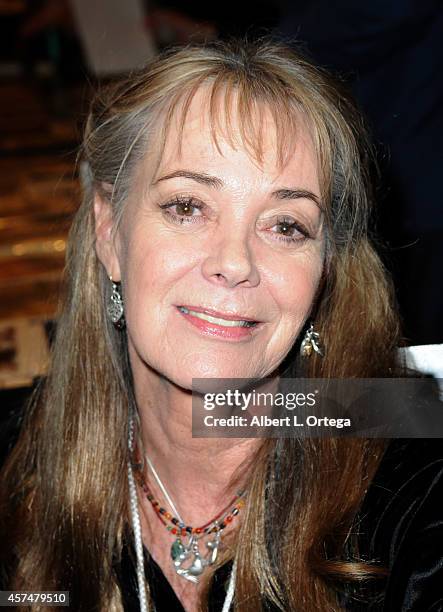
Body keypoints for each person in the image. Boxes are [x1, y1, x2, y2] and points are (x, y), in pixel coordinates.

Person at [0, 40, 442, 612]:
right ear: (109, 231)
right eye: (187, 206)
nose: (234, 262)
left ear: (325, 272)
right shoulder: (17, 468)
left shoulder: (413, 503)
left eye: (286, 225)